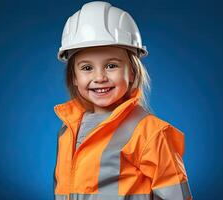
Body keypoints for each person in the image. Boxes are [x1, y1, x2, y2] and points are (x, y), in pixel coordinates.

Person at [53, 1, 192, 200]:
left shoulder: (151, 133)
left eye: (111, 65)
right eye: (86, 68)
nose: (99, 77)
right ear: (74, 78)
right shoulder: (67, 131)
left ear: (132, 73)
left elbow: (176, 196)